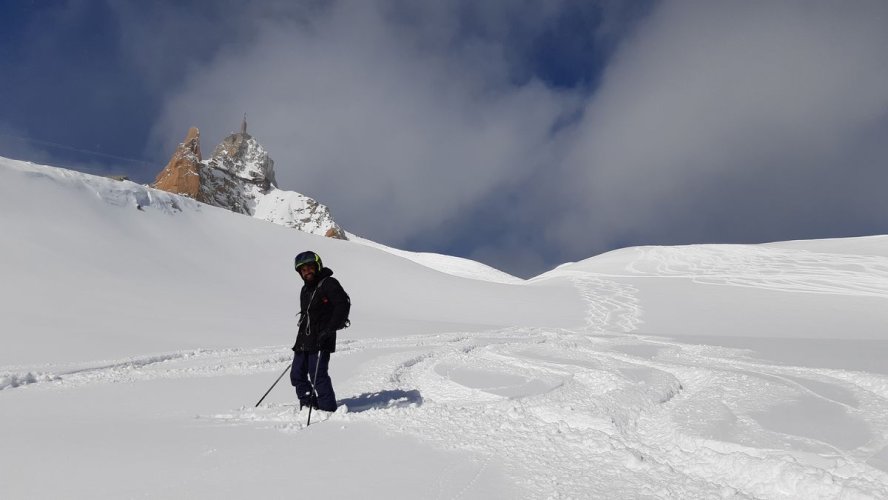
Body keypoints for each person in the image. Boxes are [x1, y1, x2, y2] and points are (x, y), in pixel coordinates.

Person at [291, 250, 350, 413]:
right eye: (303, 270)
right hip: (304, 340)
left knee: (317, 376)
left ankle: (327, 410)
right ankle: (309, 404)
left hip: (322, 338)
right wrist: (299, 342)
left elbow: (343, 305)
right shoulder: (305, 290)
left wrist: (330, 329)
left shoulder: (328, 283)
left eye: (309, 267)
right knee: (296, 375)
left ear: (317, 266)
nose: (307, 272)